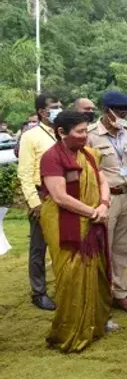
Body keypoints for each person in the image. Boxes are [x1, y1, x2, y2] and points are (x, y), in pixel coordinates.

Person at [39, 110, 112, 352]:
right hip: (63, 223)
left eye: (86, 131)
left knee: (95, 269)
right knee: (71, 274)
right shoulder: (51, 158)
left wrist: (103, 204)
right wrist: (93, 212)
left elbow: (103, 182)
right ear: (61, 132)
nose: (84, 136)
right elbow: (60, 197)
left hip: (93, 216)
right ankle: (69, 331)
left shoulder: (89, 155)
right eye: (79, 132)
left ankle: (94, 324)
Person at [87, 91, 127, 313]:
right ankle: (101, 295)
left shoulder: (126, 134)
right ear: (106, 111)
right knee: (102, 249)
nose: (124, 117)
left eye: (126, 112)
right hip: (105, 198)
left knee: (123, 248)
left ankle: (121, 293)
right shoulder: (91, 136)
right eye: (120, 113)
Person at [17, 93, 62, 311]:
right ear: (42, 112)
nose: (59, 109)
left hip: (63, 194)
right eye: (55, 106)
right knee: (39, 247)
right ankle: (39, 292)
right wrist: (34, 202)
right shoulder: (31, 136)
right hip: (41, 195)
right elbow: (24, 173)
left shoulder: (61, 132)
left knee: (63, 243)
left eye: (61, 106)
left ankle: (63, 285)